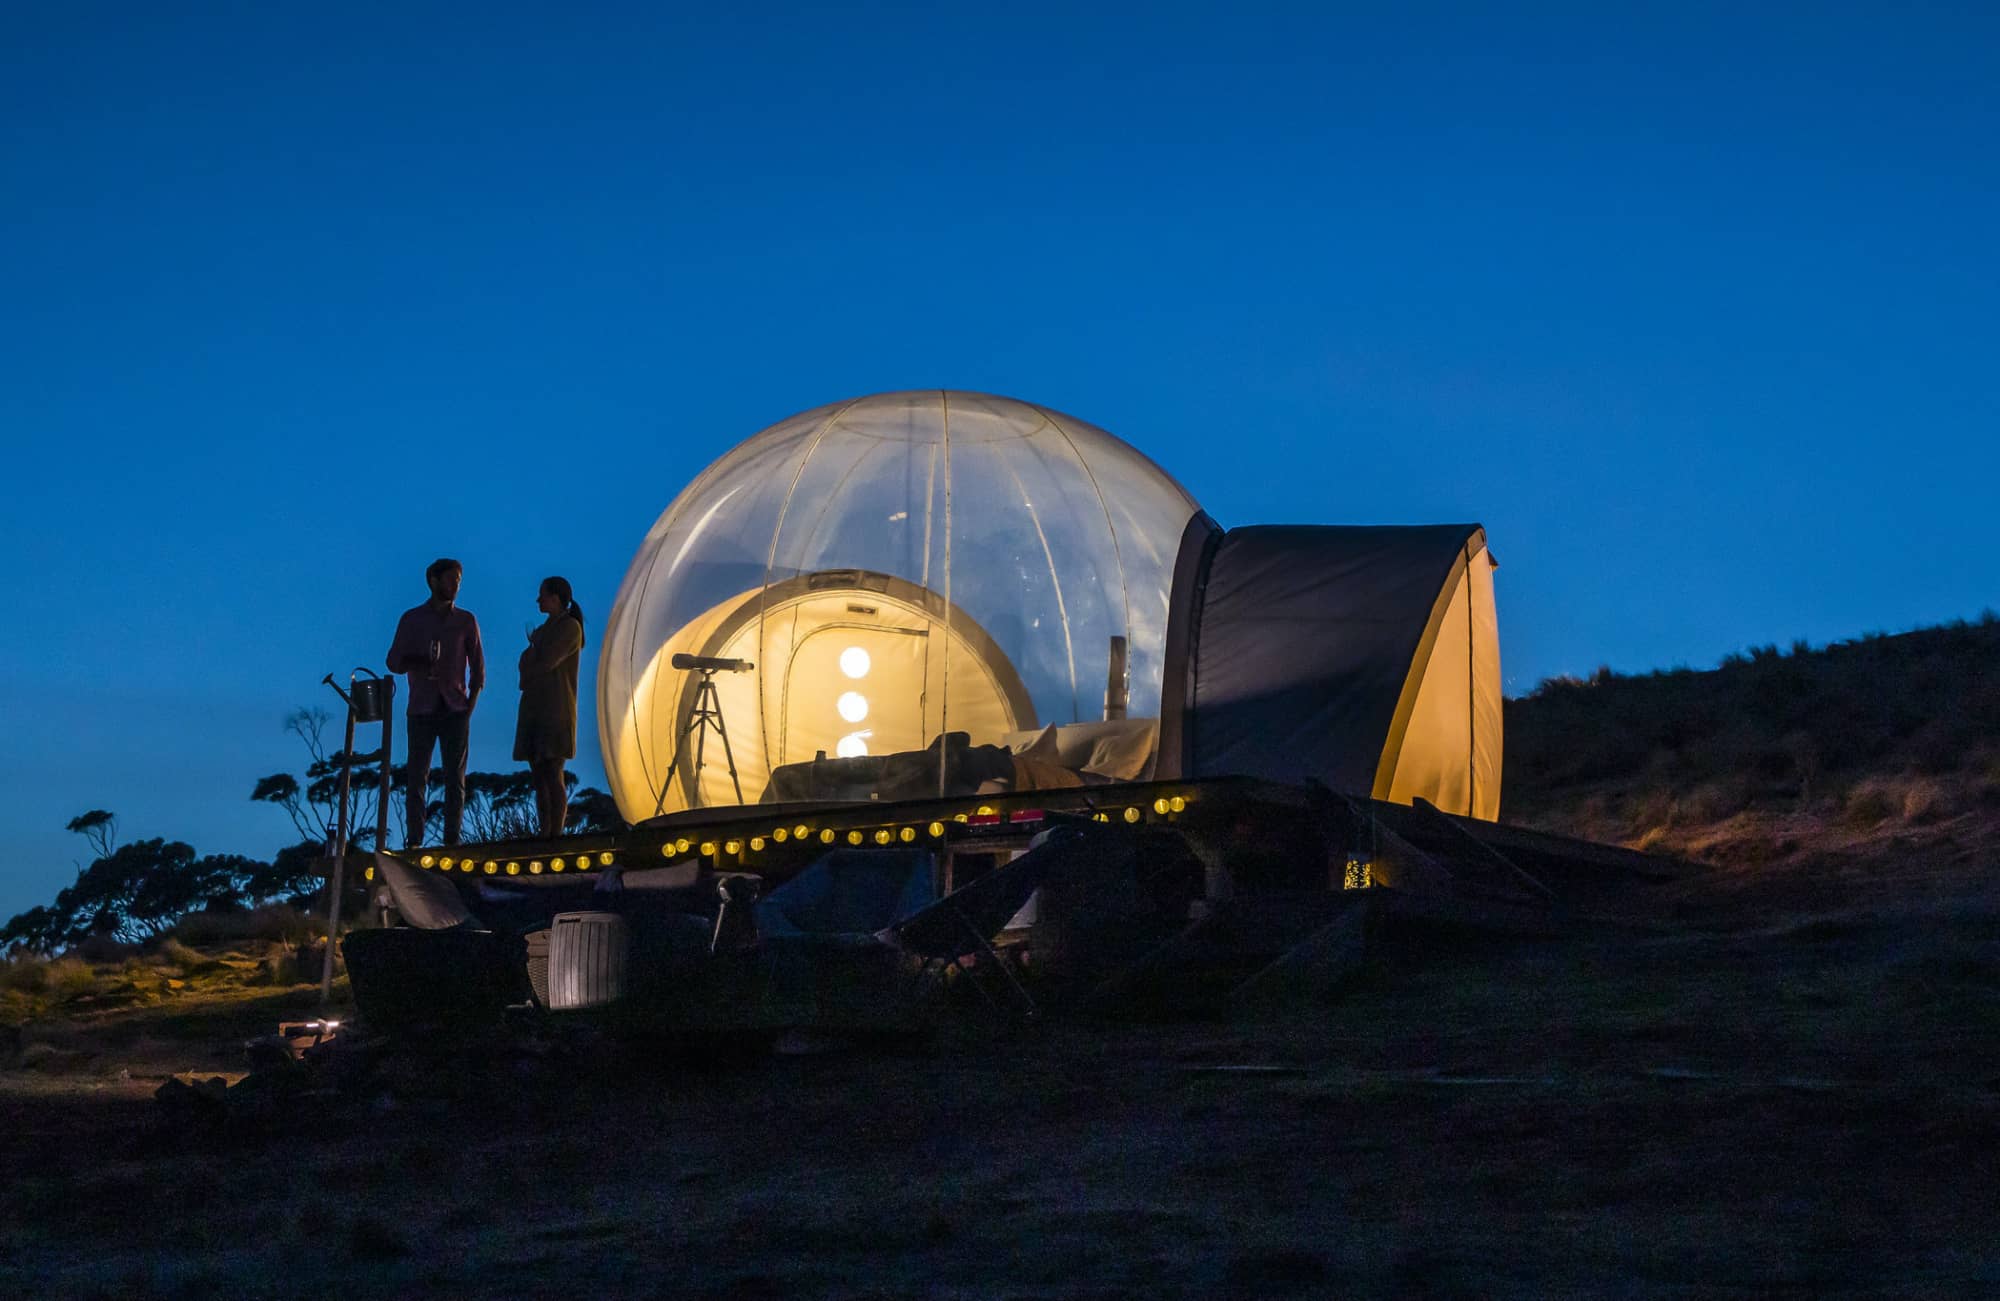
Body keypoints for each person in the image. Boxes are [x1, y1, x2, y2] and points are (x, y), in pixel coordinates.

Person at [386, 558, 484, 846]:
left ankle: (452, 839)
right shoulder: (412, 619)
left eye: (458, 581)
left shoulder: (466, 621)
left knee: (455, 778)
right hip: (421, 707)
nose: (454, 586)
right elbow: (393, 661)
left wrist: (470, 707)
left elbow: (478, 669)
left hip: (455, 707)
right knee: (417, 777)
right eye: (450, 579)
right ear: (433, 581)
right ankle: (415, 839)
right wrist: (416, 660)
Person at [516, 576, 585, 837]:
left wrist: (531, 661)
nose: (538, 600)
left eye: (543, 595)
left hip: (556, 710)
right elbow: (526, 669)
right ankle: (545, 830)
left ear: (555, 598)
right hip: (535, 708)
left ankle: (554, 832)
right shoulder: (544, 631)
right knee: (539, 776)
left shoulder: (569, 628)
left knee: (553, 771)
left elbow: (546, 662)